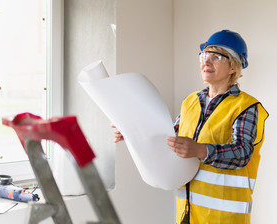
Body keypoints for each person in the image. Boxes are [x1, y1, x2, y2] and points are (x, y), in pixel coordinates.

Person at [112, 29, 268, 224]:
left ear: (233, 68)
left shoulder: (246, 107)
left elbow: (242, 153)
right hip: (187, 214)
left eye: (217, 56)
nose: (206, 62)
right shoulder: (190, 102)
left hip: (224, 219)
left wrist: (200, 150)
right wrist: (132, 132)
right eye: (204, 55)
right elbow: (168, 139)